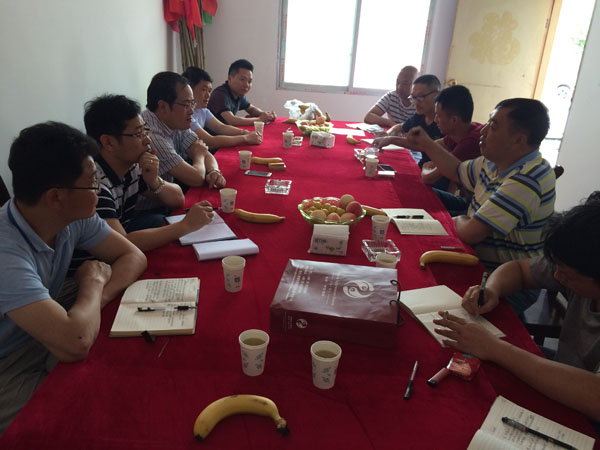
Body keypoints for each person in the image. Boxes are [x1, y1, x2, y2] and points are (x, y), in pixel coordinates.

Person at [0, 122, 147, 433]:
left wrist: (94, 302)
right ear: (56, 197)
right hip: (8, 357)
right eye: (92, 182)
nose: (99, 190)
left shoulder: (71, 215)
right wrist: (92, 284)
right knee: (72, 413)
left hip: (48, 313)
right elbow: (75, 342)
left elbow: (133, 256)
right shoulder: (6, 252)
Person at [434, 201, 600, 426]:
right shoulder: (576, 265)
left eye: (567, 275)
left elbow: (595, 398)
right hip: (566, 368)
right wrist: (492, 290)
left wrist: (494, 348)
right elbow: (519, 270)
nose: (557, 277)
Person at [400, 98, 556, 314]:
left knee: (418, 294)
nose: (483, 130)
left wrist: (458, 219)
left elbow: (471, 233)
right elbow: (456, 171)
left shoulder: (527, 179)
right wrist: (427, 143)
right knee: (414, 200)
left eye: (494, 126)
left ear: (519, 140)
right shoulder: (494, 161)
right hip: (473, 255)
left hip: (503, 280)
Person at [82, 94, 215, 250]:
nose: (147, 140)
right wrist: (185, 226)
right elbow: (121, 245)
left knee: (159, 221)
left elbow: (178, 199)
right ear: (109, 143)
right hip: (94, 261)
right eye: (138, 134)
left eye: (145, 131)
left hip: (124, 231)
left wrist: (154, 181)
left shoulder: (132, 167)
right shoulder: (95, 185)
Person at [140, 72, 225, 215]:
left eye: (192, 103)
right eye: (186, 104)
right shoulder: (151, 135)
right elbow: (196, 178)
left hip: (170, 196)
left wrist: (213, 171)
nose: (192, 111)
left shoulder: (175, 120)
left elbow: (202, 149)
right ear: (163, 107)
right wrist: (199, 156)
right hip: (149, 211)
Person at [182, 66, 262, 152]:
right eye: (204, 90)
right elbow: (210, 142)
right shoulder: (186, 115)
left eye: (209, 91)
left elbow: (221, 127)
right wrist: (244, 138)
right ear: (189, 90)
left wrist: (245, 132)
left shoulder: (203, 110)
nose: (208, 95)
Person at [385, 74, 444, 166]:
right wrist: (390, 132)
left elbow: (427, 146)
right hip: (424, 165)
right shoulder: (420, 116)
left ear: (437, 95)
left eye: (420, 97)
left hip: (440, 169)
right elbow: (402, 126)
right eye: (413, 98)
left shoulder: (445, 121)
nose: (415, 103)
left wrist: (390, 139)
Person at [207, 59, 276, 126]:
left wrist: (266, 115)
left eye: (249, 81)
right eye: (242, 79)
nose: (246, 85)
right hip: (212, 133)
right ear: (230, 78)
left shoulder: (238, 94)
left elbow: (251, 109)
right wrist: (260, 119)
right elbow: (232, 120)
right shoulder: (220, 94)